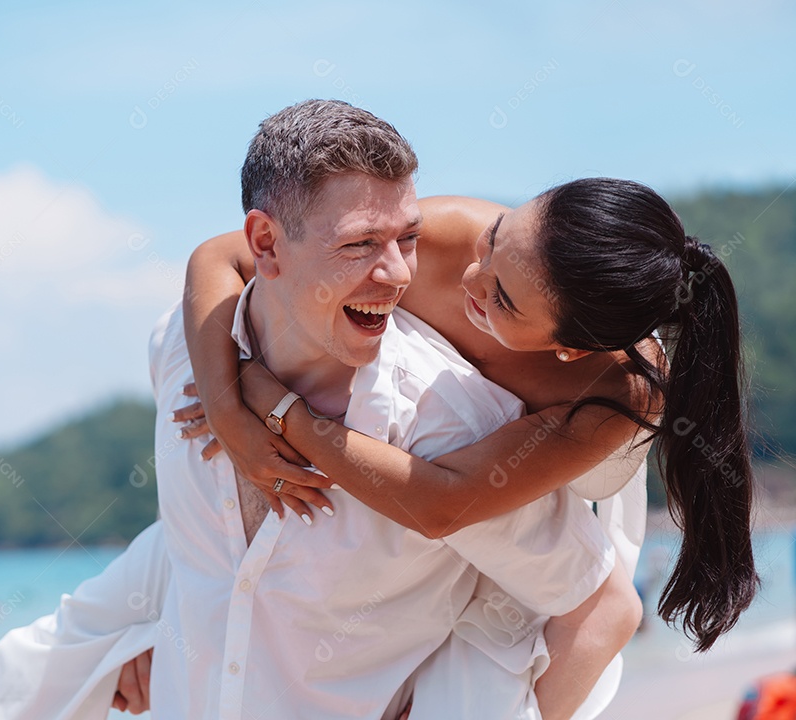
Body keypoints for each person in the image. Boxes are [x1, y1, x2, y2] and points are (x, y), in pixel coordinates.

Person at [0, 100, 637, 720]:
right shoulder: (185, 347)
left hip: (525, 473)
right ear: (266, 243)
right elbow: (212, 264)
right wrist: (166, 635)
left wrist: (278, 411)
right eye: (361, 244)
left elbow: (578, 592)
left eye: (406, 240)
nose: (400, 274)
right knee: (49, 654)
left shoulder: (458, 422)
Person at [176, 174, 758, 657]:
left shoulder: (621, 394)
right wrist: (228, 412)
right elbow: (220, 254)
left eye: (502, 297)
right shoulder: (455, 229)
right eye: (496, 240)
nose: (470, 279)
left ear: (570, 349)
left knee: (603, 615)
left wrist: (277, 406)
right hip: (466, 430)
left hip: (580, 476)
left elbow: (442, 503)